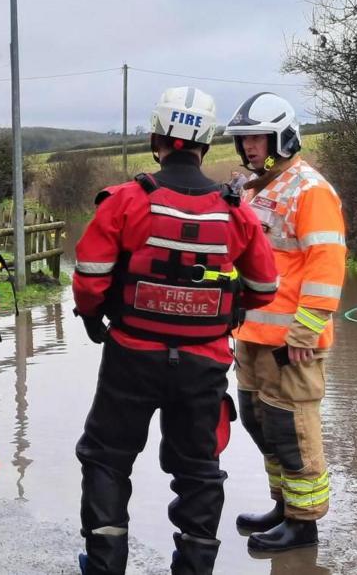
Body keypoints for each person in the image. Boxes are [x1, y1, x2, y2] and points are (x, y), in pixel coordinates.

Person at [72, 87, 279, 574]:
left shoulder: (124, 200)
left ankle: (104, 565)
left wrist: (92, 317)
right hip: (204, 362)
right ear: (207, 142)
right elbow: (266, 286)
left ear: (155, 137)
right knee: (198, 470)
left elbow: (89, 278)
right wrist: (223, 310)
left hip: (130, 354)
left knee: (106, 458)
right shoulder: (236, 210)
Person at [225, 92, 347, 553]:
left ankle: (303, 524)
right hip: (252, 334)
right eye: (244, 140)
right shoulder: (261, 188)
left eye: (257, 138)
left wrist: (305, 329)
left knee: (292, 429)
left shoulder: (309, 190)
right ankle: (283, 504)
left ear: (281, 135)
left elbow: (326, 264)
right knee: (263, 425)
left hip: (291, 340)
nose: (249, 147)